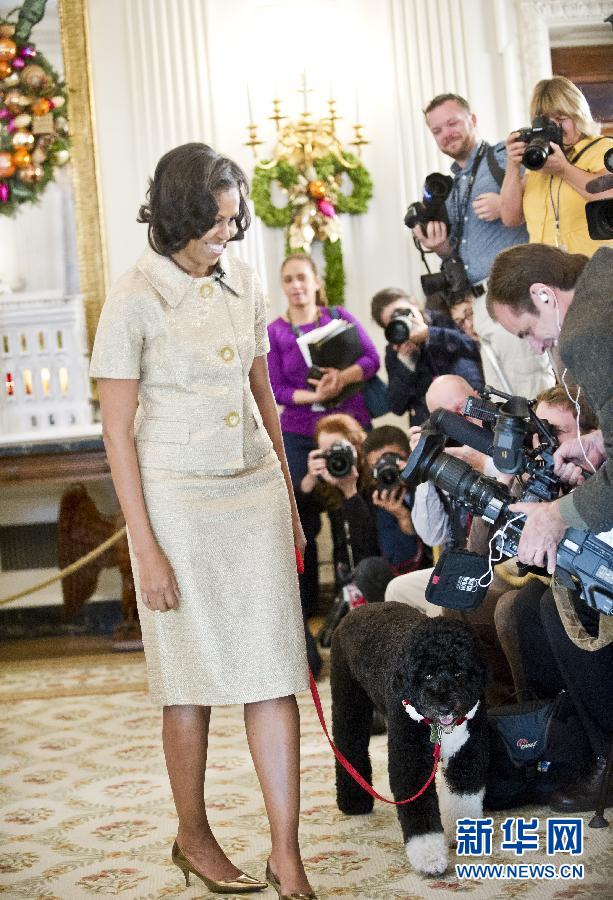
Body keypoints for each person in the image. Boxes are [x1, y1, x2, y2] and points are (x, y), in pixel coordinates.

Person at [89, 143, 316, 898]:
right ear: (181, 217)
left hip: (251, 493)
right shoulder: (133, 296)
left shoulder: (246, 282)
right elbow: (117, 433)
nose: (229, 234)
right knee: (187, 685)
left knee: (274, 674)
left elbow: (266, 401)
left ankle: (287, 854)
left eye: (234, 220)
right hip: (176, 503)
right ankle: (193, 833)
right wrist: (144, 552)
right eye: (217, 222)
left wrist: (287, 505)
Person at [415, 92, 554, 398]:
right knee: (502, 395)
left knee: (532, 389)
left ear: (473, 120)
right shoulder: (451, 184)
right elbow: (459, 249)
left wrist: (504, 202)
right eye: (436, 130)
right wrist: (438, 247)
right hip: (480, 302)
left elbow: (545, 185)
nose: (446, 134)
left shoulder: (503, 155)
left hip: (514, 292)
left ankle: (547, 447)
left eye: (452, 123)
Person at [487, 242, 613, 570]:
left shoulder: (585, 335)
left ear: (543, 294)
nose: (537, 347)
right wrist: (602, 439)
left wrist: (556, 515)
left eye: (527, 332)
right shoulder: (604, 270)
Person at [268, 254, 380, 616]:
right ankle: (306, 608)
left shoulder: (338, 318)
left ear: (316, 281)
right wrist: (316, 395)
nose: (296, 286)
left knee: (350, 506)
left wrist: (340, 380)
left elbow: (371, 360)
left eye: (302, 277)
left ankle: (355, 598)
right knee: (303, 513)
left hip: (348, 423)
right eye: (288, 279)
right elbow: (275, 388)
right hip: (301, 432)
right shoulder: (274, 332)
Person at [500, 75, 613, 257]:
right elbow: (510, 218)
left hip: (594, 272)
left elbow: (607, 194)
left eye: (560, 119)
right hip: (547, 275)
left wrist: (564, 170)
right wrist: (513, 165)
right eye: (546, 122)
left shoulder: (603, 148)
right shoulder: (539, 161)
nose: (555, 128)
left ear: (578, 116)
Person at [370, 286, 483, 425]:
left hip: (472, 406)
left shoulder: (443, 318)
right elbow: (397, 407)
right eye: (395, 321)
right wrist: (407, 363)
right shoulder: (395, 352)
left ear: (414, 303)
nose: (403, 321)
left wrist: (430, 335)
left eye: (402, 312)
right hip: (436, 424)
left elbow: (475, 346)